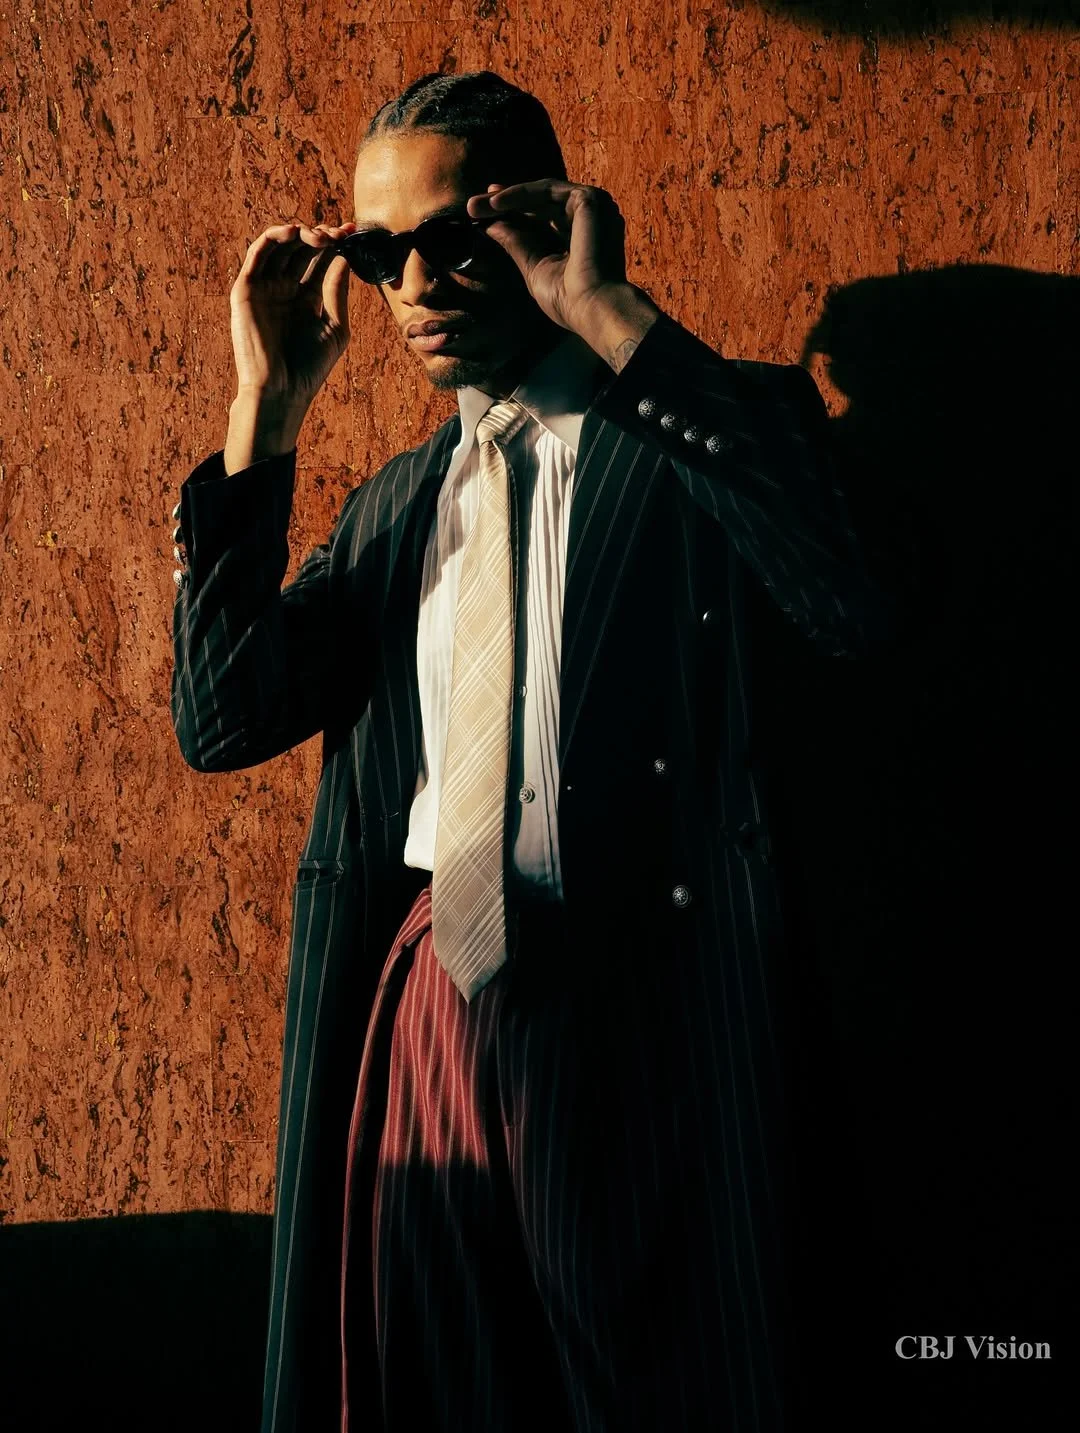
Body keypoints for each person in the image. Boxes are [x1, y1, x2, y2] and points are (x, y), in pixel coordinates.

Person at [171, 70, 892, 1433]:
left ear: (537, 220)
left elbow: (846, 612)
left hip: (648, 1001)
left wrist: (611, 315)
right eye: (384, 255)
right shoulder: (394, 508)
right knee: (442, 1390)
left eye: (456, 237)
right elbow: (222, 717)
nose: (420, 283)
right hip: (428, 1007)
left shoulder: (690, 440)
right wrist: (265, 408)